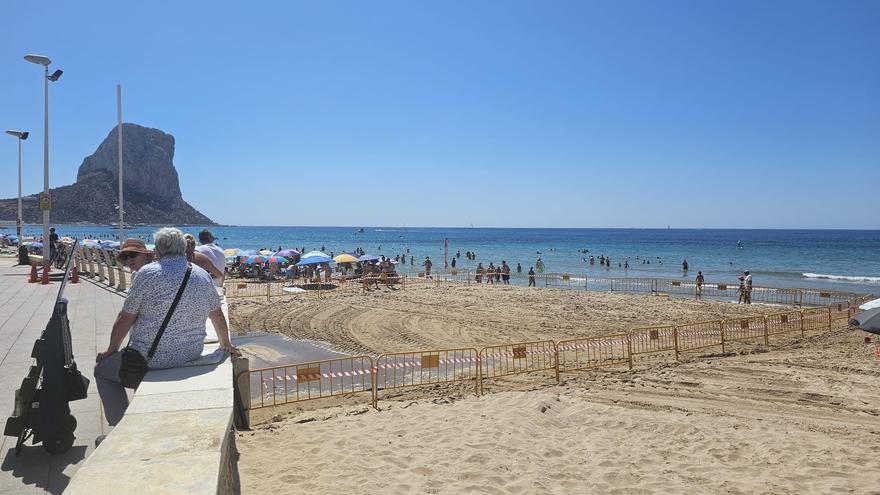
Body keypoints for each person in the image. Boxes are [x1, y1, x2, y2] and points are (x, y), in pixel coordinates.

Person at [94, 228, 239, 427]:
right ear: (184, 248)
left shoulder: (147, 274)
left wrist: (111, 350)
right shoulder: (201, 275)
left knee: (102, 370)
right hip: (190, 352)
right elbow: (217, 315)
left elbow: (125, 318)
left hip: (150, 357)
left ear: (157, 251)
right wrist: (225, 345)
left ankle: (119, 425)